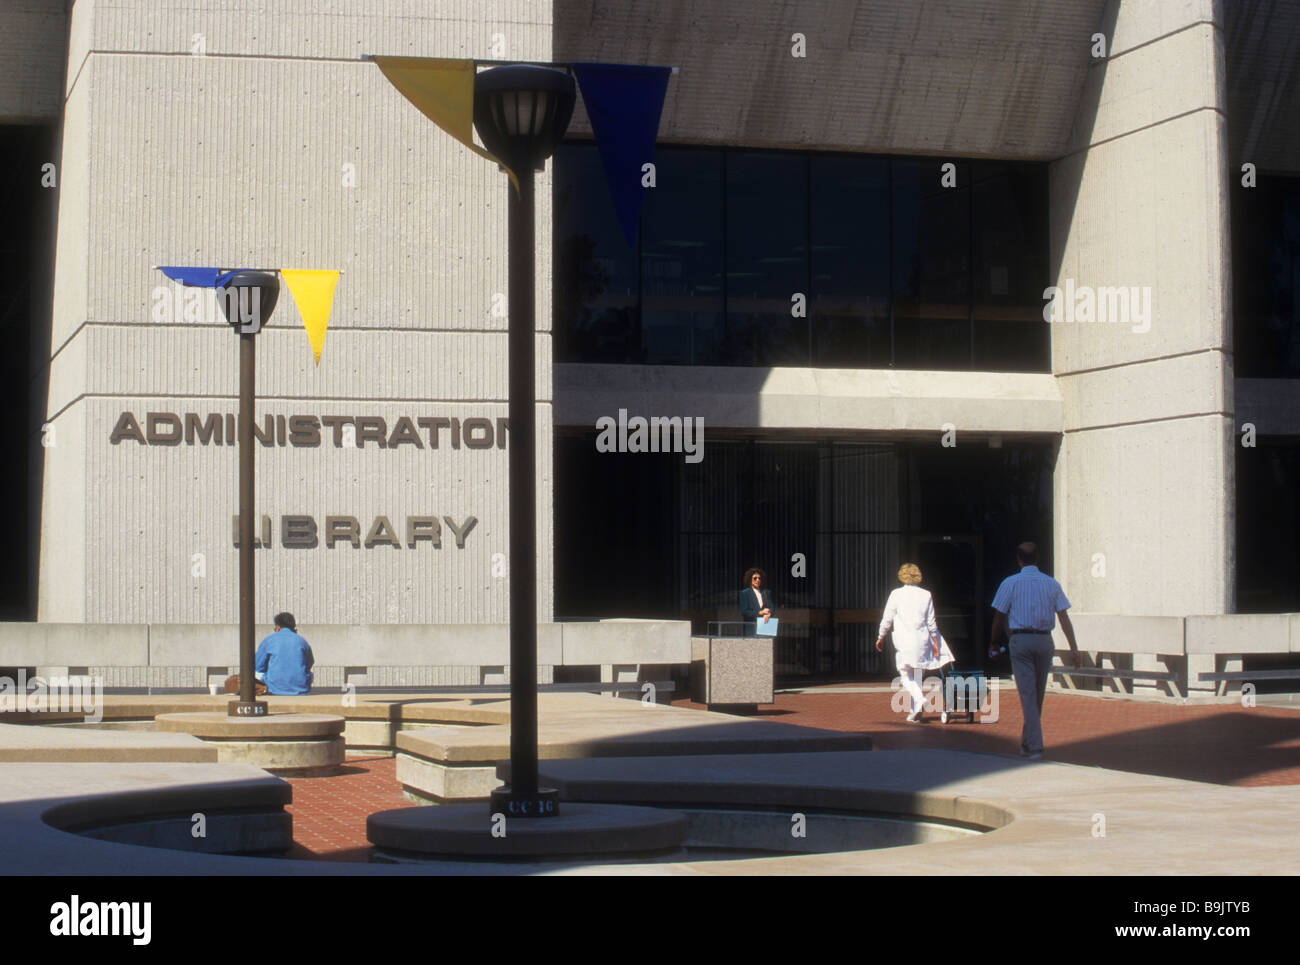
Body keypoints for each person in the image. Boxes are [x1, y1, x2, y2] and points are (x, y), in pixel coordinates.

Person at [988, 542, 1081, 760]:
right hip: (1044, 641)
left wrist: (993, 642)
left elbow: (999, 616)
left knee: (1029, 695)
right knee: (1036, 695)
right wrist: (1073, 647)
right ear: (1037, 558)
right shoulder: (1051, 584)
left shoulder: (1010, 583)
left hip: (1020, 641)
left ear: (1019, 559)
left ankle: (1034, 746)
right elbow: (1063, 616)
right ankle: (1028, 745)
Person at [876, 563, 955, 723]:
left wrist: (881, 635)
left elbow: (887, 618)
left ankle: (919, 700)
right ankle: (914, 712)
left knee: (904, 673)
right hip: (922, 639)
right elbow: (931, 622)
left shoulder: (896, 594)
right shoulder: (926, 594)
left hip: (904, 640)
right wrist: (935, 641)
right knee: (917, 675)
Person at [254, 612, 315, 695]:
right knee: (309, 674)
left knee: (256, 673)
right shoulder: (301, 641)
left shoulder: (269, 640)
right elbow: (309, 663)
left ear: (277, 627)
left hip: (274, 688)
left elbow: (258, 665)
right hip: (301, 688)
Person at [739, 568, 775, 636]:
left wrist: (769, 613)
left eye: (759, 578)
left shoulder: (766, 592)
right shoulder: (745, 593)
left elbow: (772, 608)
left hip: (766, 626)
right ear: (750, 579)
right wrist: (760, 612)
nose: (757, 580)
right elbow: (744, 611)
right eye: (755, 578)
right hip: (752, 628)